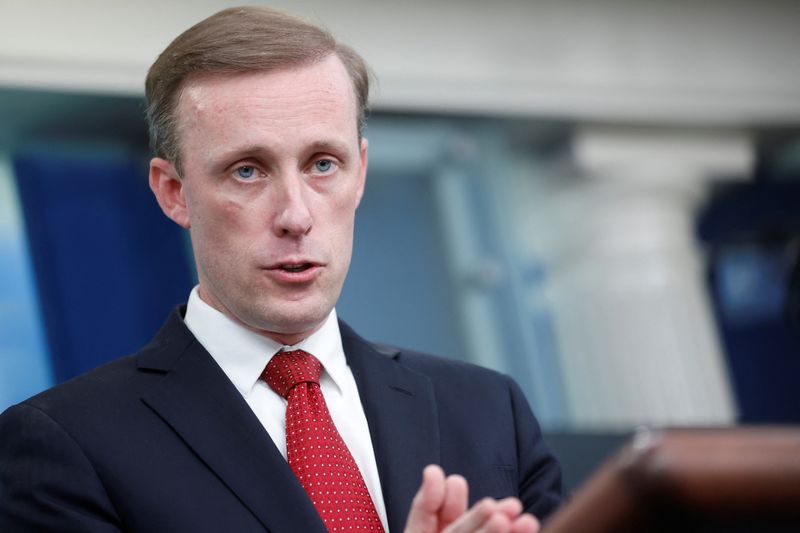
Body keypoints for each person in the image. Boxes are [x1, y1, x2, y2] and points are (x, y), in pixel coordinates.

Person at [0, 6, 562, 532]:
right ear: (174, 192)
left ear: (360, 172)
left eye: (323, 164)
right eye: (248, 171)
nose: (296, 216)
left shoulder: (490, 411)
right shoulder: (65, 443)